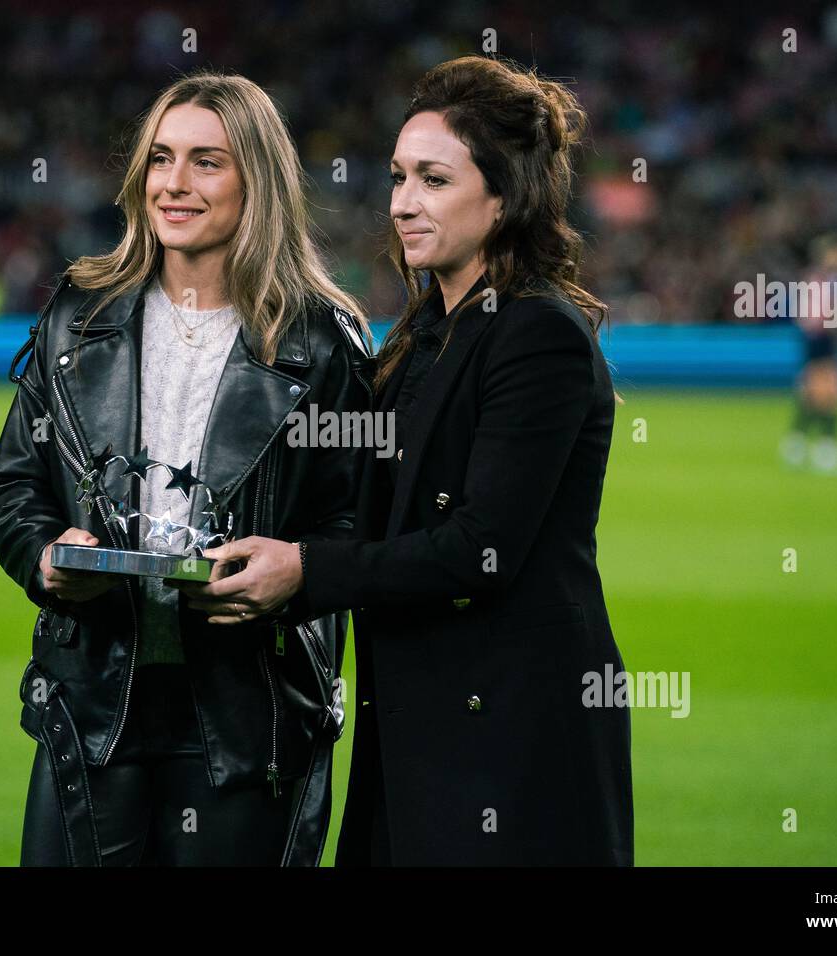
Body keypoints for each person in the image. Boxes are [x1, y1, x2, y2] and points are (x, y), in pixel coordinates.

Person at [183, 56, 633, 866]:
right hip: (418, 719)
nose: (401, 203)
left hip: (513, 726)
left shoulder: (539, 333)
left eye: (433, 179)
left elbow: (477, 551)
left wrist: (304, 572)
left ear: (504, 197)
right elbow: (353, 492)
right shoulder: (422, 334)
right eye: (397, 177)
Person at [0, 71, 374, 866]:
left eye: (206, 162)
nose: (174, 183)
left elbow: (360, 521)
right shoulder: (76, 315)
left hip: (252, 712)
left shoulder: (325, 344)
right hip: (90, 699)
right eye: (161, 158)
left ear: (255, 182)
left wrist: (294, 573)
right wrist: (47, 556)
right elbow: (14, 485)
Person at [780, 234, 837, 475]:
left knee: (818, 392)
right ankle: (823, 446)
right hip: (819, 337)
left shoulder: (832, 280)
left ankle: (800, 441)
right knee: (824, 392)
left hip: (824, 337)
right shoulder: (819, 280)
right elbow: (813, 316)